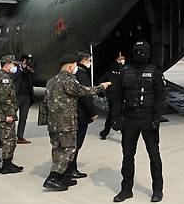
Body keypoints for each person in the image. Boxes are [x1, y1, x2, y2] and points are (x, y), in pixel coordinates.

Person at [42, 54, 110, 191]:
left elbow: (45, 103)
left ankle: (62, 177)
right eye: (74, 66)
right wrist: (101, 87)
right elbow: (84, 91)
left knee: (57, 149)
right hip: (66, 123)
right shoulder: (68, 81)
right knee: (69, 150)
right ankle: (53, 177)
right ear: (71, 66)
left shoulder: (51, 81)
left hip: (53, 123)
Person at [112, 41, 165, 203]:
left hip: (148, 118)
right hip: (129, 119)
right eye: (137, 51)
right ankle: (126, 189)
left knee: (154, 156)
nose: (139, 54)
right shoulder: (124, 71)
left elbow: (160, 96)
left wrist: (156, 118)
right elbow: (116, 96)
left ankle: (157, 190)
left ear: (148, 53)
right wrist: (116, 116)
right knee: (127, 156)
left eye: (142, 51)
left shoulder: (155, 72)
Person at [63, 51, 98, 179]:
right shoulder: (82, 74)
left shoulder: (71, 74)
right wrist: (93, 112)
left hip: (71, 114)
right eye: (90, 60)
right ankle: (71, 169)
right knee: (76, 143)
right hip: (80, 114)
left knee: (71, 143)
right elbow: (85, 95)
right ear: (83, 60)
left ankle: (69, 167)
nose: (91, 63)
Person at [99, 51, 125, 140]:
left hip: (121, 96)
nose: (121, 61)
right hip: (113, 96)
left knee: (113, 115)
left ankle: (104, 133)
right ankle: (123, 132)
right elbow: (101, 82)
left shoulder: (124, 71)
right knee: (115, 114)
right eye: (120, 59)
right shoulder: (110, 72)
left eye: (123, 59)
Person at [13, 54, 35, 144]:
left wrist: (28, 69)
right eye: (25, 61)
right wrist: (20, 68)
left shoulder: (28, 71)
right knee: (11, 116)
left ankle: (20, 137)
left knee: (23, 118)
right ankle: (8, 136)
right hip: (17, 96)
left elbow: (33, 72)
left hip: (27, 97)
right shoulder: (15, 69)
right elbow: (13, 77)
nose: (26, 63)